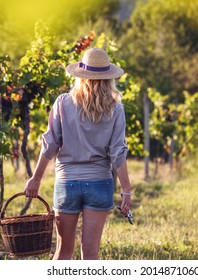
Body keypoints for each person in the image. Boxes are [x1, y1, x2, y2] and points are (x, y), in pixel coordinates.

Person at [24, 48, 132, 260]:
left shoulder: (63, 102)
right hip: (100, 183)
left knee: (63, 252)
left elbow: (50, 144)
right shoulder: (116, 109)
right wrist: (126, 190)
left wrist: (35, 179)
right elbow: (118, 152)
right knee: (90, 255)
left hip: (67, 183)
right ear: (109, 77)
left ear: (80, 76)